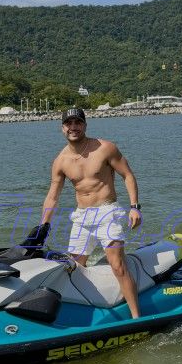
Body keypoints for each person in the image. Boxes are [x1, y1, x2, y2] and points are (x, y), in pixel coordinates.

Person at [39, 106, 142, 319]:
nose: (73, 127)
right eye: (68, 123)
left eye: (78, 122)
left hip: (107, 212)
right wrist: (43, 225)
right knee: (74, 268)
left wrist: (134, 207)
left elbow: (128, 175)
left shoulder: (105, 148)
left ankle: (136, 317)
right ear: (62, 128)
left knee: (117, 265)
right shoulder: (61, 161)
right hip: (82, 217)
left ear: (85, 125)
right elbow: (52, 196)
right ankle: (85, 313)